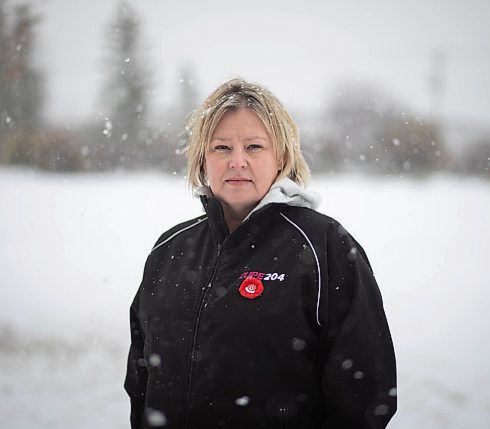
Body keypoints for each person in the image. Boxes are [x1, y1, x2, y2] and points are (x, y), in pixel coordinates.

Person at [124, 78, 397, 429]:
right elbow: (141, 380)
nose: (237, 161)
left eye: (254, 146)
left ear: (281, 155)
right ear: (203, 157)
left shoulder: (325, 247)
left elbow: (364, 395)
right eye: (222, 148)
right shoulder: (169, 250)